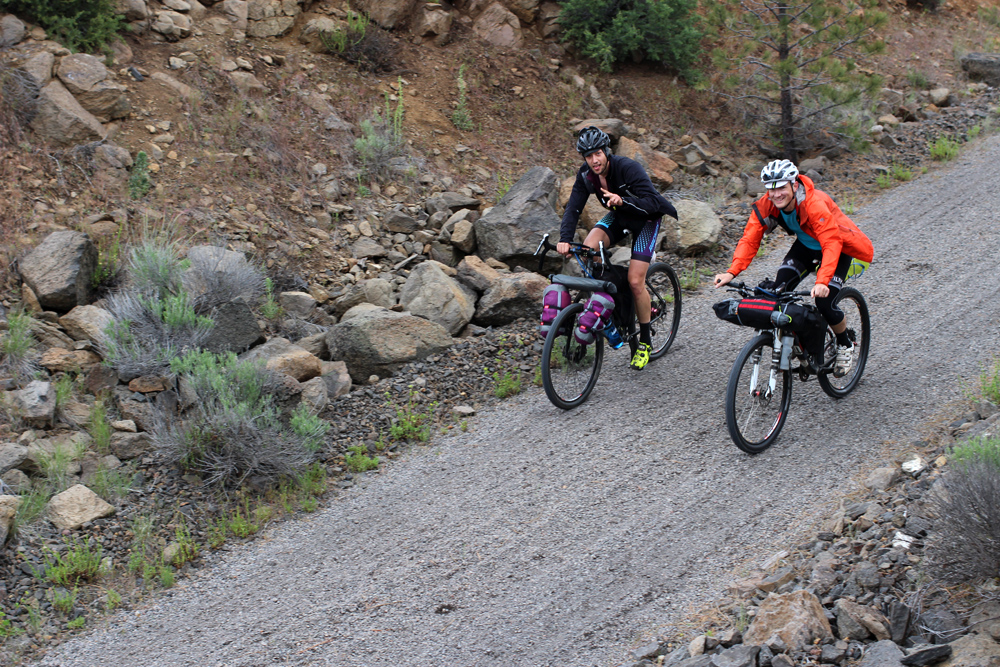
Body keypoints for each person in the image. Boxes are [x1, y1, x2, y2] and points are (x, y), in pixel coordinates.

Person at [713, 159, 874, 376]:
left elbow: (831, 243)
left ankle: (845, 343)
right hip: (806, 247)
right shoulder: (767, 204)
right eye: (771, 188)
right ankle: (796, 343)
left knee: (825, 302)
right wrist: (732, 271)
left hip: (838, 249)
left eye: (781, 187)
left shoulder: (814, 203)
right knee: (777, 292)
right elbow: (750, 239)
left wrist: (822, 281)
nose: (776, 194)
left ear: (794, 185)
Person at [559, 126, 678, 370]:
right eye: (588, 156)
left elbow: (653, 201)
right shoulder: (586, 176)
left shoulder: (627, 167)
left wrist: (624, 200)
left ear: (606, 152)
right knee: (588, 250)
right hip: (619, 216)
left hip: (646, 220)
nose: (594, 160)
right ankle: (619, 299)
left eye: (598, 154)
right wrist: (565, 239)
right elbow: (573, 208)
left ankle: (644, 342)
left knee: (636, 281)